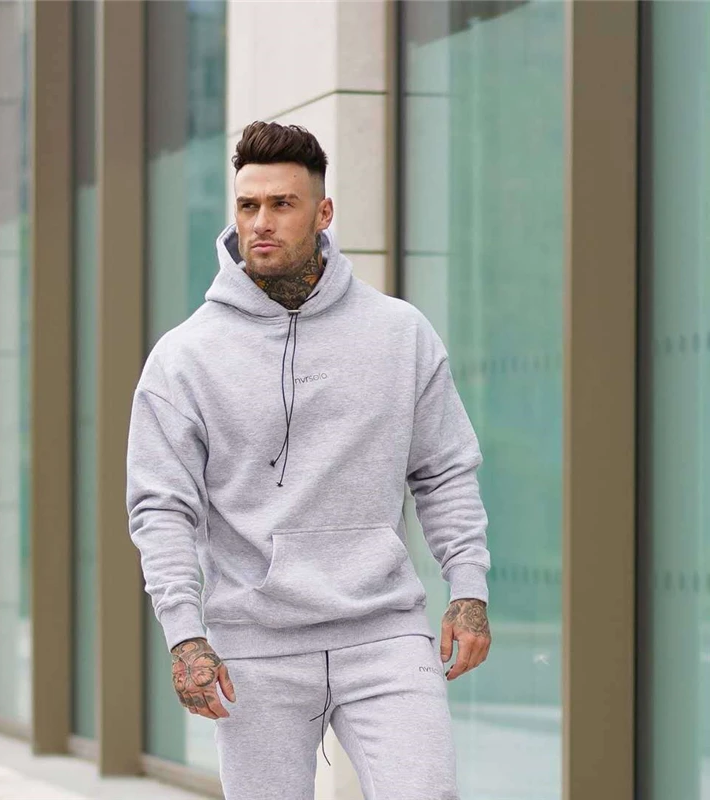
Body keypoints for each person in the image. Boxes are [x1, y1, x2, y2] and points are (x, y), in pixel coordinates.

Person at [126, 121, 492, 800]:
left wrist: (468, 589)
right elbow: (161, 508)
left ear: (323, 213)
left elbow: (443, 472)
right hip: (254, 647)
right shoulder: (185, 357)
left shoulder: (399, 333)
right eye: (248, 205)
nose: (260, 223)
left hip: (384, 632)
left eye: (282, 204)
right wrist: (185, 635)